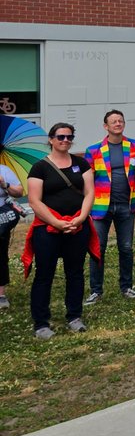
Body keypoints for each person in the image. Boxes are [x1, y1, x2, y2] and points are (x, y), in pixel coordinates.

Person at [25, 123, 96, 339]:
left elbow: (89, 193)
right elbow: (34, 200)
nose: (65, 140)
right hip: (48, 229)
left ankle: (74, 316)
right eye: (60, 137)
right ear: (51, 139)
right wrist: (56, 222)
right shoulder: (39, 167)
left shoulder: (81, 163)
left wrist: (81, 218)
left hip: (77, 227)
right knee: (44, 275)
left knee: (75, 273)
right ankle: (41, 323)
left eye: (69, 137)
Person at [84, 109, 135, 303]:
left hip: (126, 207)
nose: (118, 124)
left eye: (121, 120)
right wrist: (85, 207)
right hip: (100, 208)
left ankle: (127, 287)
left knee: (126, 248)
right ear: (106, 126)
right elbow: (87, 182)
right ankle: (96, 290)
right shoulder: (93, 150)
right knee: (98, 248)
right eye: (114, 121)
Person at [0, 166, 25, 310]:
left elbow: (19, 192)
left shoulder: (4, 170)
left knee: (1, 255)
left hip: (1, 219)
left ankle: (1, 295)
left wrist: (4, 184)